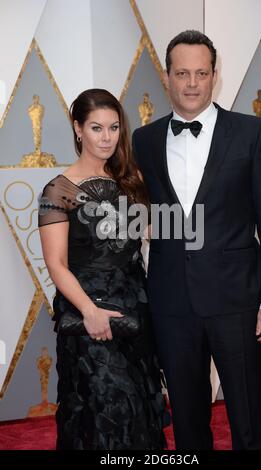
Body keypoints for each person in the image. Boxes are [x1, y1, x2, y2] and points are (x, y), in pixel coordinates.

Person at [132, 31, 261, 450]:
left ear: (215, 76)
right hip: (171, 304)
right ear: (167, 77)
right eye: (182, 73)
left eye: (201, 73)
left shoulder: (252, 132)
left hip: (238, 300)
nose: (192, 83)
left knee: (251, 418)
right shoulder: (143, 140)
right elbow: (148, 216)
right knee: (186, 419)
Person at [38, 89, 169, 450]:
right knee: (104, 408)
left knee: (139, 407)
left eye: (114, 127)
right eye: (96, 128)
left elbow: (154, 235)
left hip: (135, 308)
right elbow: (56, 264)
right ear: (78, 129)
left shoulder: (132, 180)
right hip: (89, 310)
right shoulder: (58, 191)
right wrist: (89, 311)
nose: (107, 137)